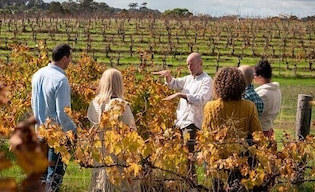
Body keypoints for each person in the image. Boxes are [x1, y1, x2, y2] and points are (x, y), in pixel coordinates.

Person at [153, 52, 212, 184]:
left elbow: (202, 99)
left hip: (192, 124)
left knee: (189, 158)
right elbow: (174, 83)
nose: (190, 67)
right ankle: (184, 182)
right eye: (187, 65)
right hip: (181, 122)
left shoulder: (207, 80)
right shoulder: (188, 79)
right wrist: (168, 76)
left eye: (192, 64)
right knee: (182, 155)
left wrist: (182, 95)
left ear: (200, 64)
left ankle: (192, 184)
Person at [202, 67, 262, 191]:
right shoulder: (249, 107)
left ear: (217, 86)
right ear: (241, 85)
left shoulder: (210, 107)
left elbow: (206, 135)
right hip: (242, 159)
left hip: (217, 159)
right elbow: (258, 135)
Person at [31, 44, 77, 192]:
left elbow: (33, 103)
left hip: (39, 131)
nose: (70, 62)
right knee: (53, 178)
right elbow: (63, 113)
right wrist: (72, 130)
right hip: (56, 135)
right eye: (70, 58)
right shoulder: (61, 80)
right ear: (64, 58)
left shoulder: (37, 74)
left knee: (40, 177)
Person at [87, 68, 139, 192]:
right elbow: (132, 132)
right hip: (118, 154)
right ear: (119, 84)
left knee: (101, 183)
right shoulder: (121, 105)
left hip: (100, 152)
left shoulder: (94, 104)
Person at [254, 60, 282, 139]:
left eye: (254, 75)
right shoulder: (276, 90)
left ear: (260, 77)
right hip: (269, 129)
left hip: (261, 131)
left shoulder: (263, 94)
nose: (253, 77)